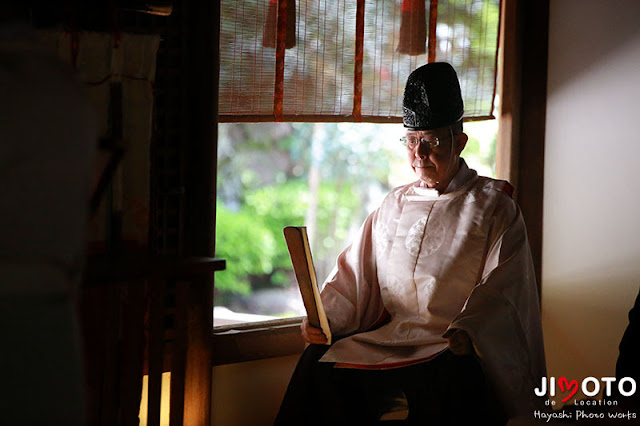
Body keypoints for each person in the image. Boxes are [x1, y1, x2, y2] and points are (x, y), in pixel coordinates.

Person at [275, 62, 546, 425]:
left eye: (431, 141)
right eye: (411, 140)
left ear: (459, 141)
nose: (418, 154)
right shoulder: (394, 204)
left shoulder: (493, 205)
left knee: (456, 381)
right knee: (319, 362)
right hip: (389, 339)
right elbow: (356, 276)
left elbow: (504, 287)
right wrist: (325, 319)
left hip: (447, 343)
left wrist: (470, 330)